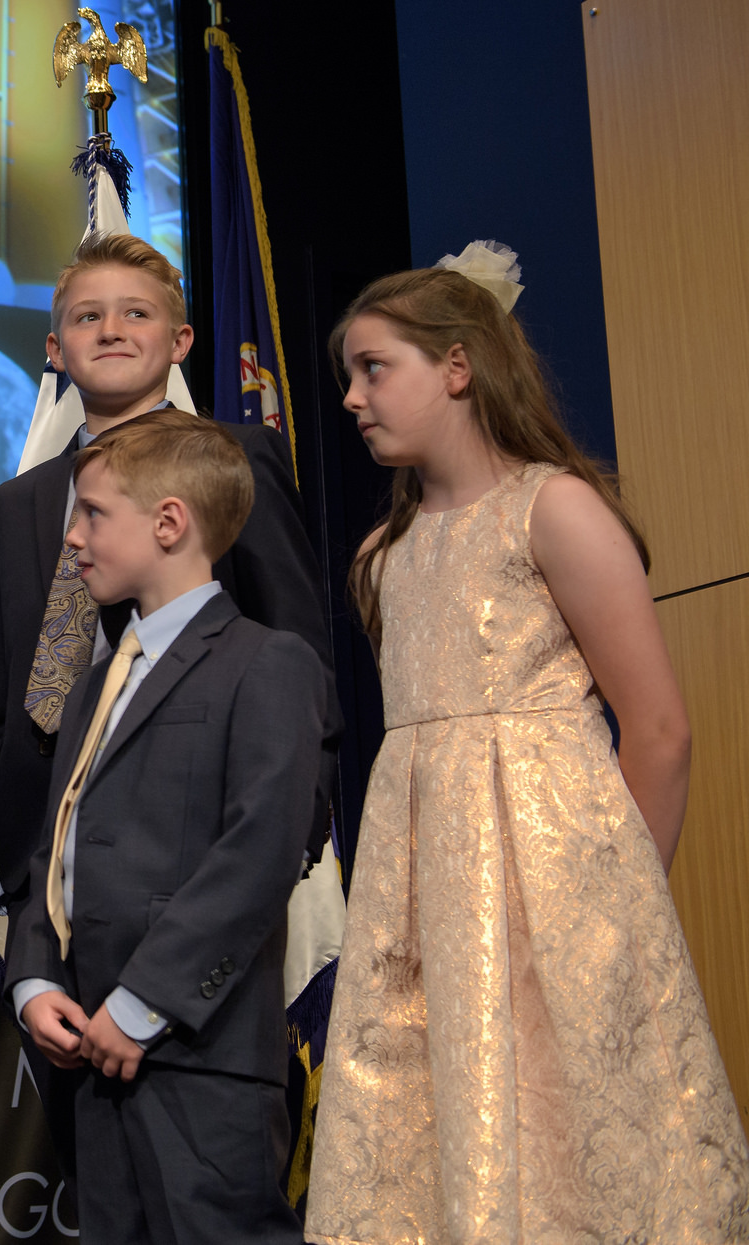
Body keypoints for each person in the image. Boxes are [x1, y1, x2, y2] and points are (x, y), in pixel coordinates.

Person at [304, 263, 749, 1242]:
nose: (349, 397)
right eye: (349, 374)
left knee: (570, 1147)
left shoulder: (553, 513)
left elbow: (659, 732)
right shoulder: (387, 552)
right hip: (425, 906)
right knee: (436, 1145)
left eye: (373, 368)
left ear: (456, 367)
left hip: (558, 895)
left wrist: (608, 916)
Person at [0, 232, 337, 1171]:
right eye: (86, 317)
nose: (110, 330)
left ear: (180, 341)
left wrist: (293, 841)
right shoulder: (20, 504)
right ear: (52, 349)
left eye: (136, 313)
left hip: (198, 890)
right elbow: (14, 696)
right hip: (56, 899)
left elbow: (297, 662)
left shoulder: (238, 463)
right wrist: (22, 872)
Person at [3, 409, 326, 1245]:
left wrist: (144, 1002)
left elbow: (257, 854)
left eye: (93, 513)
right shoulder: (95, 684)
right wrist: (37, 978)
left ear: (171, 522)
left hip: (198, 1053)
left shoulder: (266, 661)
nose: (71, 537)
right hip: (87, 1048)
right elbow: (56, 845)